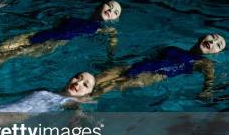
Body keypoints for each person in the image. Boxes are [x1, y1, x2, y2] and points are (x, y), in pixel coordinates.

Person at [0, 0, 121, 71]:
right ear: (99, 6)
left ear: (115, 20)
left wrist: (110, 57)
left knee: (6, 56)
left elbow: (113, 39)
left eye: (115, 12)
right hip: (36, 35)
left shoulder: (104, 29)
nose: (111, 10)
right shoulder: (74, 17)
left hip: (52, 43)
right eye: (109, 5)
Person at [94, 34, 225, 97]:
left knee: (111, 85)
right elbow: (145, 55)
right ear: (202, 36)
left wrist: (207, 91)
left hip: (154, 75)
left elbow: (210, 79)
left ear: (217, 53)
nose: (213, 42)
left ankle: (80, 104)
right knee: (98, 78)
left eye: (218, 45)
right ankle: (77, 94)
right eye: (213, 37)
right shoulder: (172, 47)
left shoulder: (204, 62)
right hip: (136, 65)